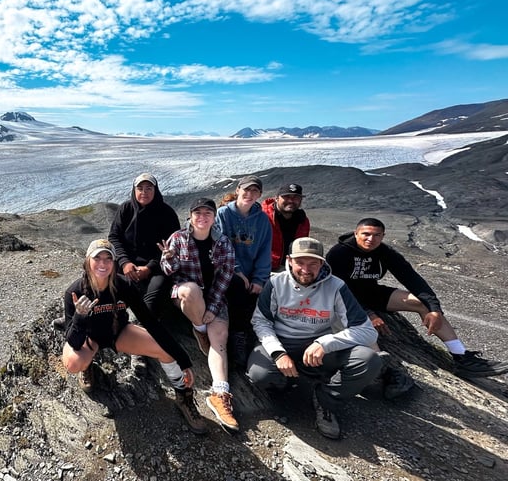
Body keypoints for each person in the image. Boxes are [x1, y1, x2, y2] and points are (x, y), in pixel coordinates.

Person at [326, 218, 508, 379]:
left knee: (423, 304)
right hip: (346, 300)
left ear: (383, 236)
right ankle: (384, 374)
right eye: (366, 234)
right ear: (356, 233)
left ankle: (462, 357)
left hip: (373, 293)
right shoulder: (339, 253)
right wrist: (369, 314)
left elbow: (412, 279)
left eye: (377, 235)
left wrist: (435, 309)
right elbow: (341, 290)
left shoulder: (384, 252)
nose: (370, 239)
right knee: (364, 327)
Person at [62, 239, 207, 434]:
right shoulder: (74, 291)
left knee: (164, 351)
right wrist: (79, 316)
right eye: (97, 258)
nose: (103, 264)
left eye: (108, 259)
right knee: (73, 363)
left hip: (118, 332)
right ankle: (88, 367)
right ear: (88, 261)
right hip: (90, 338)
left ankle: (183, 396)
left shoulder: (124, 285)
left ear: (114, 263)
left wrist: (184, 361)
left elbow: (151, 323)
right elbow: (73, 341)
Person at [247, 237, 381, 440]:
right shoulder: (276, 283)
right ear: (289, 260)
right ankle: (290, 383)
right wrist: (278, 352)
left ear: (322, 263)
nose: (305, 269)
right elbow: (260, 321)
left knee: (368, 360)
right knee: (259, 374)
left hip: (319, 346)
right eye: (300, 262)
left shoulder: (336, 287)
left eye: (313, 263)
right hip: (282, 341)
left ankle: (326, 400)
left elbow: (367, 331)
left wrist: (325, 343)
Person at [159, 197, 239, 431]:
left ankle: (220, 393)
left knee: (220, 338)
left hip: (213, 297)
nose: (202, 217)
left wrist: (213, 308)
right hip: (186, 295)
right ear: (190, 216)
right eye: (197, 213)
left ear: (214, 217)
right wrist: (169, 259)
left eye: (207, 213)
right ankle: (199, 329)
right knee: (190, 290)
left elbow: (225, 276)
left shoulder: (223, 243)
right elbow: (168, 272)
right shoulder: (178, 238)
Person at [216, 176, 272, 368]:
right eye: (246, 190)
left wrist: (259, 279)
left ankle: (252, 338)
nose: (249, 194)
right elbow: (222, 246)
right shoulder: (223, 214)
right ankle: (236, 338)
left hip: (251, 274)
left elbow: (265, 251)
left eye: (254, 191)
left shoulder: (263, 220)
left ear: (260, 195)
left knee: (262, 295)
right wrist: (237, 271)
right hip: (228, 270)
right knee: (238, 289)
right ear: (238, 190)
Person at [109, 172, 181, 316]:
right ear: (134, 190)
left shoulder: (167, 213)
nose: (144, 192)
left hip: (157, 266)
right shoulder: (126, 209)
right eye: (140, 188)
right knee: (103, 281)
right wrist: (124, 263)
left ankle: (142, 327)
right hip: (127, 265)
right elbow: (114, 237)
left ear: (156, 190)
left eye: (149, 188)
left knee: (154, 296)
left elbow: (173, 245)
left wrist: (149, 267)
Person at [261, 183, 311, 272]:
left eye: (296, 197)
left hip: (292, 268)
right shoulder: (263, 216)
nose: (291, 200)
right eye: (286, 197)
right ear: (276, 198)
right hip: (264, 268)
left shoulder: (302, 221)